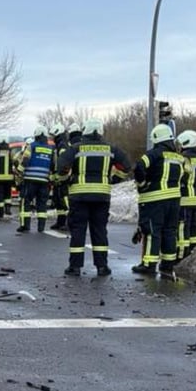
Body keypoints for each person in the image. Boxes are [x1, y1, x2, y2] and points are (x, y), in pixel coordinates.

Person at [55, 117, 131, 276]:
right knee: (100, 231)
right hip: (101, 197)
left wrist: (66, 180)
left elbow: (62, 167)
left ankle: (75, 267)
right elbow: (126, 166)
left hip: (79, 197)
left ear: (85, 131)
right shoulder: (111, 149)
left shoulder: (76, 148)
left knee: (78, 231)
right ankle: (102, 267)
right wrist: (113, 179)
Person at [132, 124, 184, 277]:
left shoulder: (153, 154)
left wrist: (142, 184)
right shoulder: (178, 157)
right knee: (170, 231)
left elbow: (139, 167)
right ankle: (167, 265)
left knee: (151, 232)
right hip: (174, 200)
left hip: (154, 199)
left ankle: (148, 264)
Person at [15, 126, 54, 233]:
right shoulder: (51, 149)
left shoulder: (31, 146)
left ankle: (25, 226)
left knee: (25, 201)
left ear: (36, 135)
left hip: (30, 180)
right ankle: (41, 228)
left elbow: (25, 160)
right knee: (42, 204)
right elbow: (53, 165)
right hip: (44, 181)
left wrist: (19, 172)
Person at [176, 130, 196, 260]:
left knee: (183, 227)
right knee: (194, 227)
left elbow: (179, 175)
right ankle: (194, 253)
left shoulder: (183, 158)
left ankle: (182, 254)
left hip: (185, 198)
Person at [49, 123, 70, 231]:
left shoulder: (63, 145)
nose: (52, 137)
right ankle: (60, 221)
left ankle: (69, 223)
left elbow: (64, 162)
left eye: (53, 135)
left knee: (65, 201)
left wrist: (59, 176)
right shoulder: (59, 145)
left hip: (64, 178)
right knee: (58, 201)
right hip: (59, 177)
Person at [0, 136, 14, 221]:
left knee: (0, 196)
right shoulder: (10, 151)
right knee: (8, 195)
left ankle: (1, 213)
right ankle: (8, 210)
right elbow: (14, 160)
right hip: (9, 178)